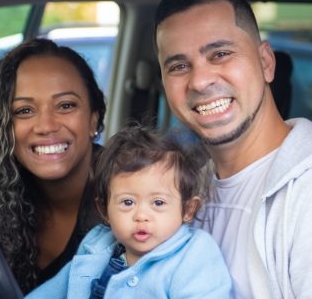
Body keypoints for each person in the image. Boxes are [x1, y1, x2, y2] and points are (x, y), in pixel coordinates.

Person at [154, 0, 312, 298]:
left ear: (266, 63)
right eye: (178, 66)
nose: (200, 80)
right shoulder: (189, 190)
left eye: (220, 54)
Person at [0, 38, 107, 293]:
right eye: (24, 111)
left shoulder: (133, 195)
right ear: (3, 128)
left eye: (66, 105)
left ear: (93, 120)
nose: (46, 126)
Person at [26, 125, 232, 298]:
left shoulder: (193, 254)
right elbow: (53, 291)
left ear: (187, 210)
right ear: (104, 210)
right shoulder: (96, 244)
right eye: (127, 202)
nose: (141, 216)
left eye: (158, 203)